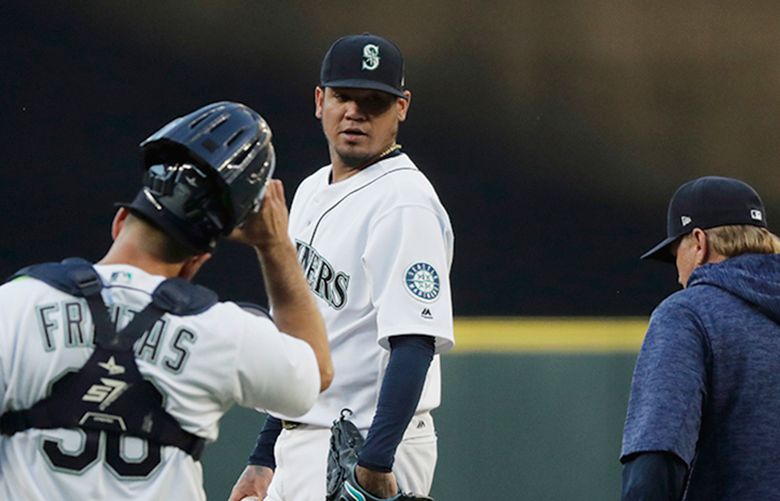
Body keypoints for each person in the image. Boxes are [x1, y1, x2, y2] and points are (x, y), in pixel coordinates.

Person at [0, 101, 333, 501]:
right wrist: (274, 245)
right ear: (195, 262)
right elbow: (316, 373)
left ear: (120, 222)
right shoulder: (221, 331)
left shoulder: (17, 304)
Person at [230, 33, 454, 501]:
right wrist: (264, 456)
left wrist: (375, 464)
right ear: (320, 100)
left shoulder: (404, 202)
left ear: (401, 108)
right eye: (344, 97)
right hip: (304, 437)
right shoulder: (311, 189)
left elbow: (413, 343)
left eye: (374, 101)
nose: (356, 112)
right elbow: (305, 339)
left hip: (367, 443)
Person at [620, 176, 780, 500]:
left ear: (698, 242)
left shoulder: (689, 314)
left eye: (675, 253)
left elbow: (656, 459)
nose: (679, 275)